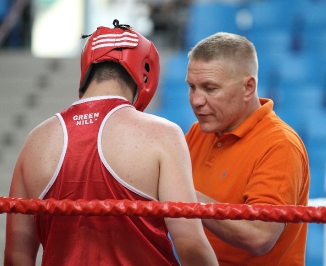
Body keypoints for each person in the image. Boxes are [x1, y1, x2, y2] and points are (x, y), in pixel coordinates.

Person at [4, 20, 218, 266]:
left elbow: (15, 258)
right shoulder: (161, 134)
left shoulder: (36, 141)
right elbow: (190, 243)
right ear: (146, 72)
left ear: (87, 70)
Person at [185, 32, 310, 265]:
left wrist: (183, 195)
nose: (196, 100)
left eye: (210, 88)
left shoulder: (280, 144)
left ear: (248, 87)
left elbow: (259, 235)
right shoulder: (197, 133)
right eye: (192, 87)